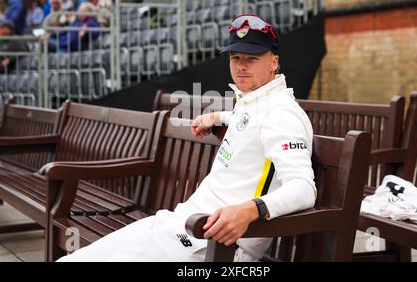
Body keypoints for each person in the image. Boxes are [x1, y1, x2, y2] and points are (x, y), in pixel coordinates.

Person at [57, 14, 316, 262]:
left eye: (252, 58)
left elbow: (304, 189)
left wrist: (250, 209)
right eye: (235, 57)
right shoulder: (253, 102)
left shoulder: (281, 114)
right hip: (181, 221)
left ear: (274, 62)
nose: (241, 65)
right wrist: (217, 117)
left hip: (216, 242)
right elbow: (249, 120)